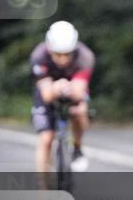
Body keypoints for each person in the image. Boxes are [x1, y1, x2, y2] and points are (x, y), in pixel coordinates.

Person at [30, 21, 94, 175]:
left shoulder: (85, 56)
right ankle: (43, 190)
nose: (63, 59)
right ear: (50, 50)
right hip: (48, 88)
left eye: (67, 54)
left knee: (79, 112)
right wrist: (56, 88)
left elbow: (79, 92)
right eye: (58, 54)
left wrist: (70, 89)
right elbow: (46, 95)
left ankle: (77, 148)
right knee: (46, 138)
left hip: (74, 87)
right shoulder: (39, 55)